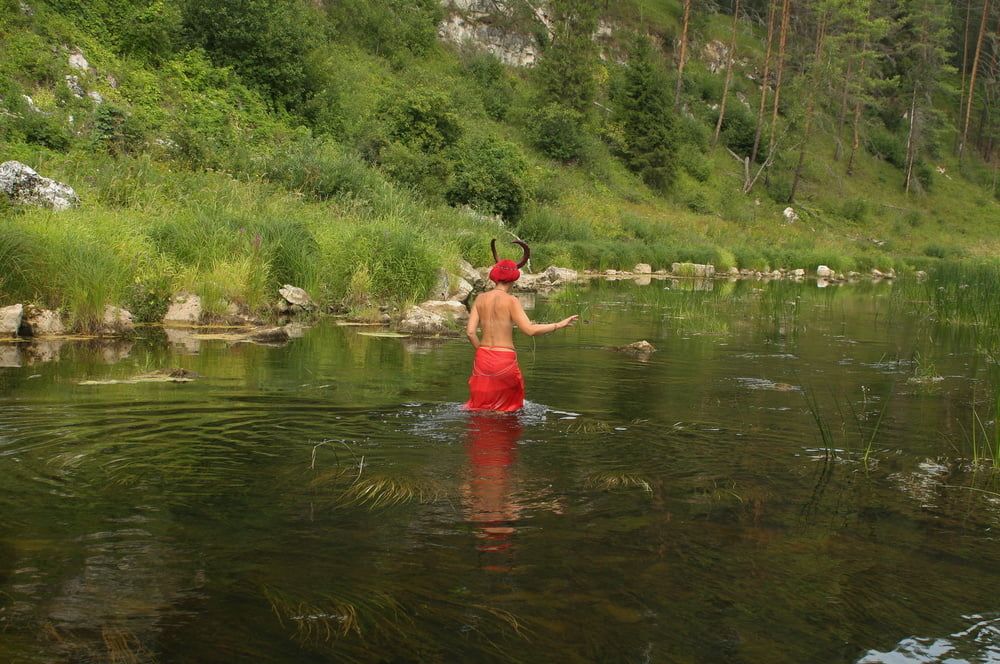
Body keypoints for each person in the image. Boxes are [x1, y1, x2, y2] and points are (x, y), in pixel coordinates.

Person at [464, 239, 579, 412]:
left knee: (480, 408)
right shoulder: (512, 301)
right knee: (507, 411)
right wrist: (559, 324)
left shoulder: (480, 299)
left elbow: (470, 332)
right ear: (513, 279)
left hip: (483, 358)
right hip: (504, 360)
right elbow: (530, 330)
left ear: (494, 276)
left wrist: (482, 351)